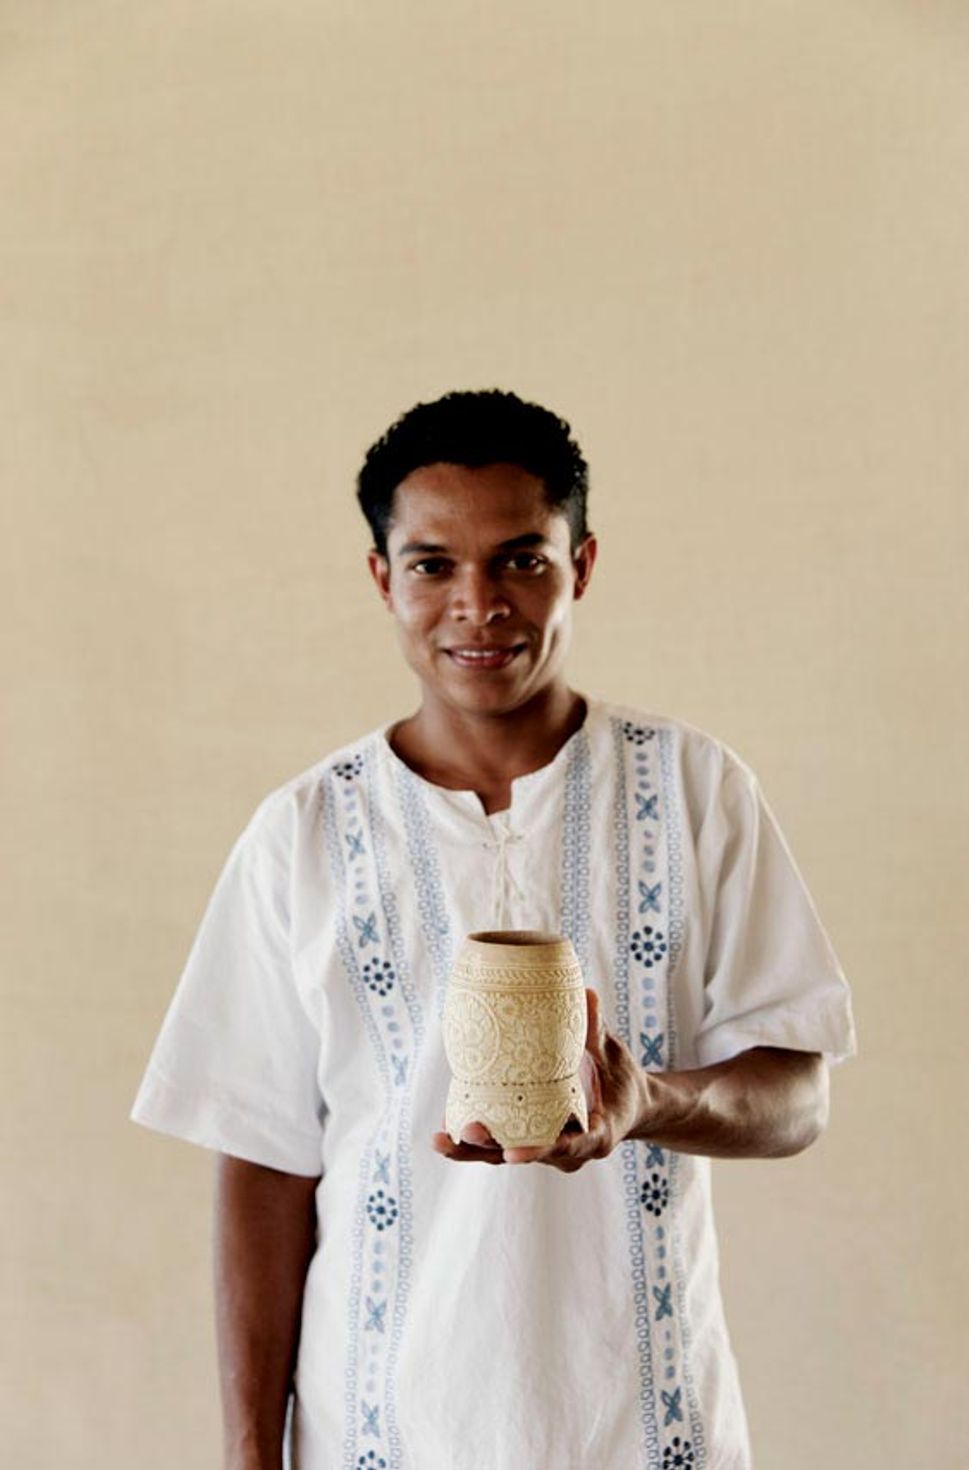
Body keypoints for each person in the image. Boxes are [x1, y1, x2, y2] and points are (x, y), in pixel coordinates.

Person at [131, 388, 857, 1470]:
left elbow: (796, 1095)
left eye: (521, 559)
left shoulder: (693, 790)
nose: (478, 605)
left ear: (581, 565)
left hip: (642, 1428)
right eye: (433, 565)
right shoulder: (306, 831)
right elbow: (264, 1165)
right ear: (383, 578)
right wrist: (250, 1454)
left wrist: (647, 1103)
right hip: (380, 1431)